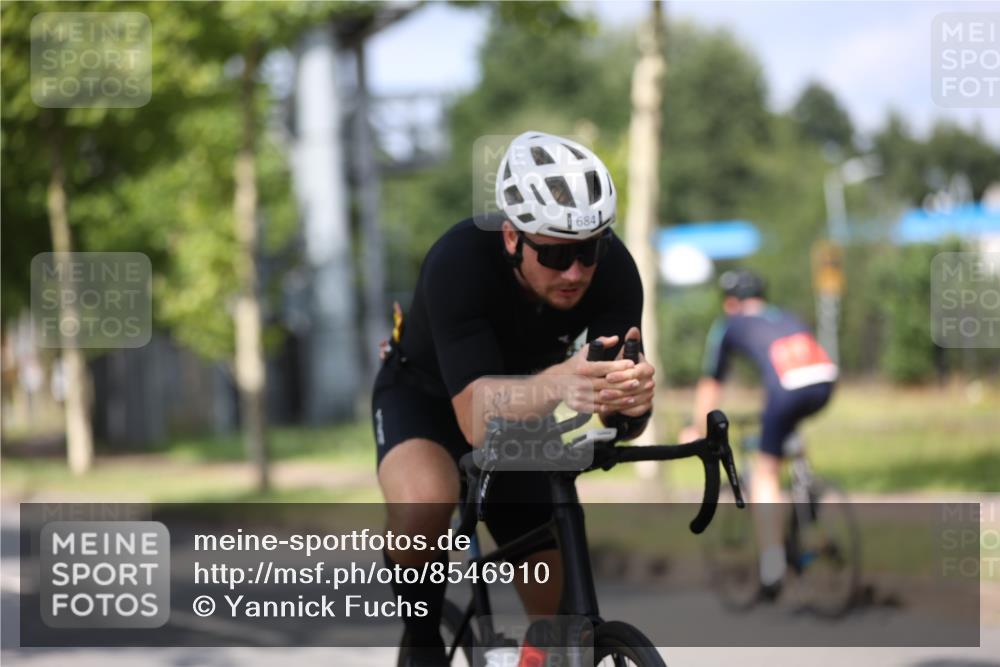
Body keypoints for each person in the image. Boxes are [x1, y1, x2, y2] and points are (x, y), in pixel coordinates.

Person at [372, 131, 656, 666]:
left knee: (555, 617)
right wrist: (560, 383)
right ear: (511, 237)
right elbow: (476, 420)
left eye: (589, 249)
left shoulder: (614, 271)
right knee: (426, 500)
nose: (575, 271)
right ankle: (423, 641)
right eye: (554, 253)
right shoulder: (458, 262)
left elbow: (615, 412)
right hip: (425, 398)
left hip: (523, 409)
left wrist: (632, 403)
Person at [679, 269, 837, 599]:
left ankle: (772, 565)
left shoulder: (729, 324)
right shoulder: (784, 316)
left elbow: (711, 384)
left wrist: (696, 428)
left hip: (786, 388)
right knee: (784, 431)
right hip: (825, 379)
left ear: (731, 302)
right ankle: (807, 499)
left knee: (764, 471)